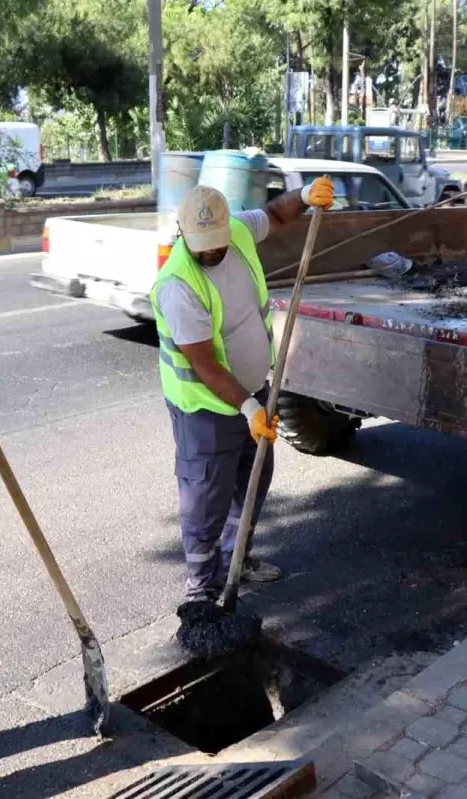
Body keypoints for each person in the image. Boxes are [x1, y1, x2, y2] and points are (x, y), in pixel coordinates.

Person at [150, 177, 335, 602]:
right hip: (206, 408)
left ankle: (237, 559)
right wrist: (249, 407)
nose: (213, 250)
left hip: (254, 392)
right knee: (205, 498)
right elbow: (204, 365)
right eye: (203, 244)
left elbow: (273, 215)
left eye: (218, 239)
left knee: (251, 480)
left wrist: (304, 198)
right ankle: (201, 589)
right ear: (183, 234)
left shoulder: (234, 229)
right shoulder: (178, 286)